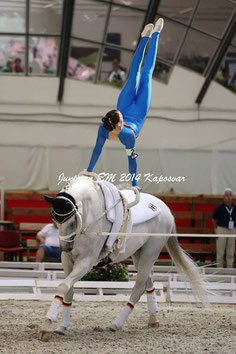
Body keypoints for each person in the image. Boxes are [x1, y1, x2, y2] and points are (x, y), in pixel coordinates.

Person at [86, 18, 164, 190]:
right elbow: (131, 160)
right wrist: (134, 183)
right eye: (120, 117)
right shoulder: (127, 135)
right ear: (119, 124)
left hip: (126, 104)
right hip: (139, 111)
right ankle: (156, 34)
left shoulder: (107, 124)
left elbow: (97, 150)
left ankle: (145, 37)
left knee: (134, 74)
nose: (120, 116)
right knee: (146, 75)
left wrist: (89, 170)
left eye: (118, 113)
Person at [212, 188, 236, 268]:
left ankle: (230, 268)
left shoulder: (234, 208)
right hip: (221, 229)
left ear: (232, 197)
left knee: (230, 252)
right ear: (223, 197)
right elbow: (214, 219)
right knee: (220, 251)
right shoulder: (219, 208)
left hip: (232, 230)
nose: (228, 197)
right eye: (226, 195)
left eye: (230, 195)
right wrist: (216, 229)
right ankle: (219, 269)